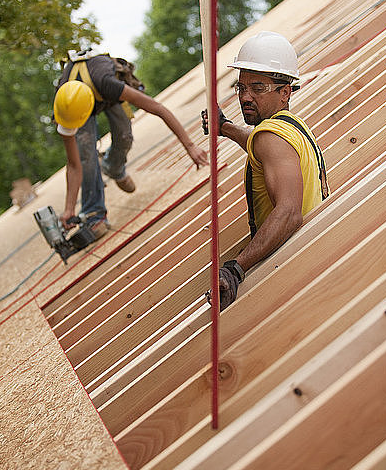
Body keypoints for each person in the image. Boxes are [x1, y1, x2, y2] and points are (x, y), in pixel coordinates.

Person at [202, 31, 328, 311]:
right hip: (313, 257)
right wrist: (225, 128)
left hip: (293, 270)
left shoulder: (272, 137)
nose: (245, 97)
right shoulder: (290, 128)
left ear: (284, 93)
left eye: (258, 88)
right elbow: (260, 147)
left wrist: (237, 267)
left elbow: (289, 213)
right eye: (241, 88)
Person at [54, 50, 208, 238]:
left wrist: (190, 146)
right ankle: (94, 212)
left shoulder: (109, 85)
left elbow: (157, 108)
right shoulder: (65, 108)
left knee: (124, 135)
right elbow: (74, 164)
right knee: (86, 154)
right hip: (80, 99)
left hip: (101, 89)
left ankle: (113, 167)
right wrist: (69, 208)